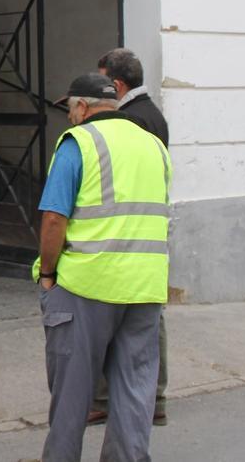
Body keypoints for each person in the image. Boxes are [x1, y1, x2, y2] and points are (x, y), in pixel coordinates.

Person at [34, 73, 172, 462]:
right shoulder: (153, 146)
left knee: (72, 396)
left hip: (86, 286)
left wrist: (47, 275)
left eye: (69, 109)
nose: (69, 117)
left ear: (81, 108)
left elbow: (54, 219)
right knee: (134, 391)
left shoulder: (78, 143)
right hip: (144, 287)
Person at [92, 48, 170, 427]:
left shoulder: (131, 121)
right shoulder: (152, 114)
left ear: (118, 84)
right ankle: (151, 398)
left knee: (133, 320)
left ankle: (124, 398)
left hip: (131, 236)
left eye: (105, 82)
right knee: (148, 317)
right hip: (148, 234)